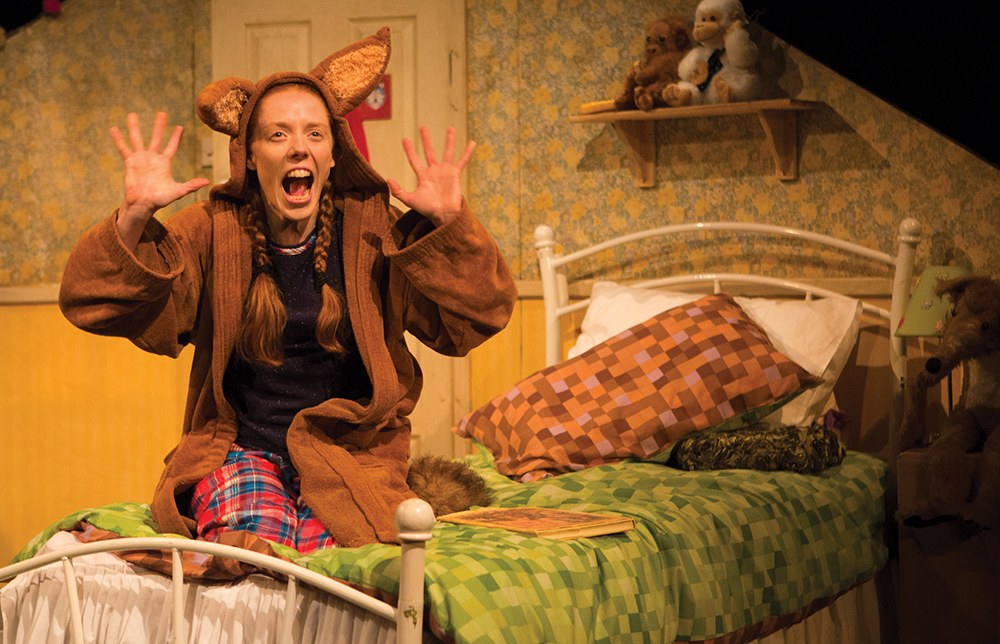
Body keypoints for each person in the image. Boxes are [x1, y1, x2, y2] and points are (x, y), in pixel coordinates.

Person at [58, 28, 516, 552]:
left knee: (345, 557)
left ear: (334, 153)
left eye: (314, 134)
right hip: (239, 452)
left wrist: (451, 226)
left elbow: (478, 317)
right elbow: (90, 301)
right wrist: (132, 219)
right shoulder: (212, 230)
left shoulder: (373, 231)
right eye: (278, 135)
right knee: (253, 553)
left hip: (352, 451)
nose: (299, 146)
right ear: (250, 156)